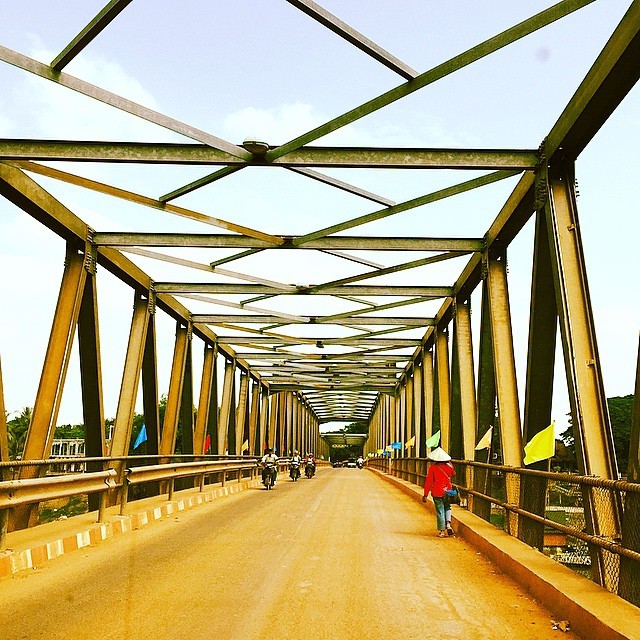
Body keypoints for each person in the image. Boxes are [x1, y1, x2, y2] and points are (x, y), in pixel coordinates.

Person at [422, 447, 456, 538]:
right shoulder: (449, 466)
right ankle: (448, 524)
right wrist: (449, 464)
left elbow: (429, 482)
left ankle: (442, 531)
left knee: (440, 510)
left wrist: (425, 494)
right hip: (448, 490)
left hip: (437, 491)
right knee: (448, 507)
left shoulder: (433, 468)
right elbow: (453, 474)